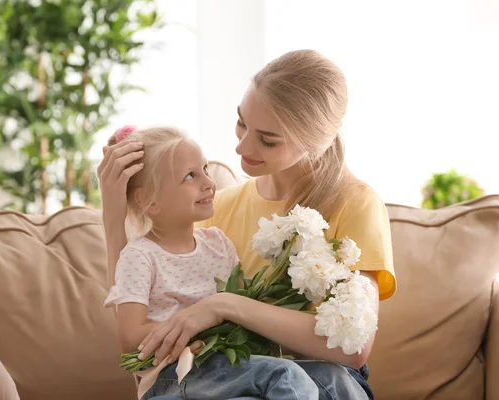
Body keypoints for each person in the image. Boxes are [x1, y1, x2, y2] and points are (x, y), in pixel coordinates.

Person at [98, 49, 397, 400]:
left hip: (322, 382)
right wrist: (113, 216)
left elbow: (352, 347)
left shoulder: (356, 205)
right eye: (241, 122)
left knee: (323, 382)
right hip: (234, 380)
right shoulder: (217, 209)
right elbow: (138, 305)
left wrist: (222, 306)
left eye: (267, 139)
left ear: (314, 140)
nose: (241, 146)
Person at [103, 125, 320, 400]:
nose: (208, 182)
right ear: (149, 200)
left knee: (317, 380)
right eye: (190, 176)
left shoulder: (218, 243)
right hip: (174, 376)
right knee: (286, 376)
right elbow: (131, 338)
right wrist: (198, 329)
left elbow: (240, 309)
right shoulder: (140, 256)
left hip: (220, 370)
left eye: (205, 169)